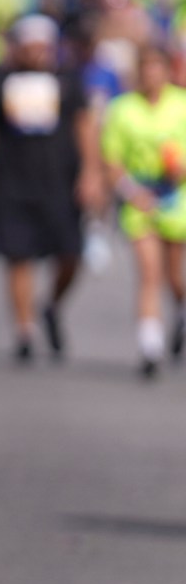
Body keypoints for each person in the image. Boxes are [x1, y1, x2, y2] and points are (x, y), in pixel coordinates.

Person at [0, 14, 96, 364]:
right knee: (18, 256)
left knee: (71, 255)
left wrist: (90, 173)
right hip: (11, 183)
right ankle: (24, 330)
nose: (36, 53)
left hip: (59, 182)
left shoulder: (69, 81)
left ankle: (51, 306)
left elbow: (84, 126)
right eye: (29, 46)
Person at [102, 40, 186, 379]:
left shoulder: (180, 106)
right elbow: (112, 160)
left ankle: (180, 311)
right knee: (148, 271)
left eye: (157, 67)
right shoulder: (123, 109)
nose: (151, 75)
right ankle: (150, 344)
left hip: (176, 198)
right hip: (140, 198)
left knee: (175, 276)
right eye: (145, 68)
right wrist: (130, 192)